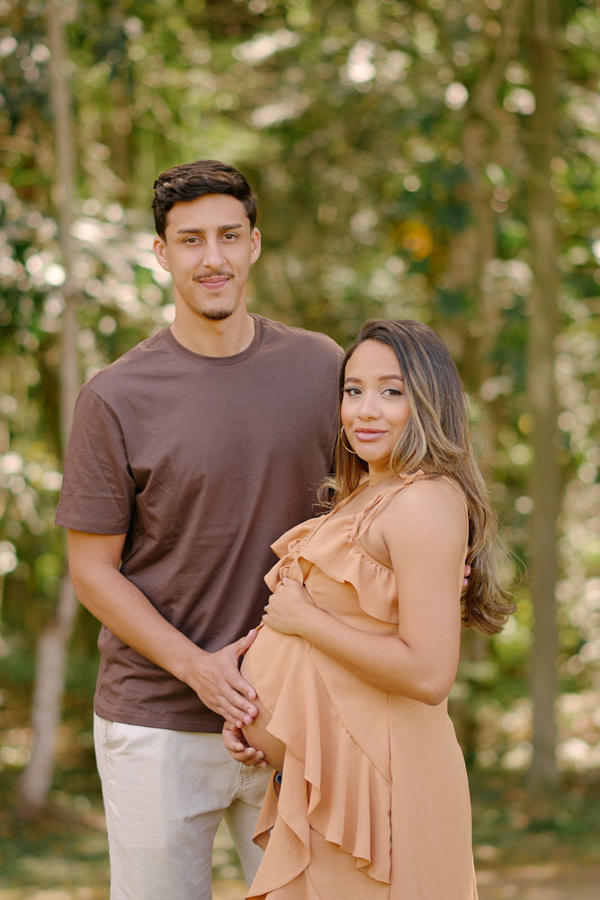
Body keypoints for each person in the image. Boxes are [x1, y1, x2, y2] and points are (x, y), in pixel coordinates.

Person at [54, 159, 344, 900]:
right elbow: (92, 570)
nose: (211, 258)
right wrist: (200, 669)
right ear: (162, 253)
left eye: (227, 236)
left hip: (298, 715)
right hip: (156, 722)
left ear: (254, 244)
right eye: (190, 241)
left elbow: (371, 509)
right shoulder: (115, 396)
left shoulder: (323, 369)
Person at [223, 319, 515, 899]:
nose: (366, 410)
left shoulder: (425, 500)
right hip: (327, 774)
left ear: (429, 401)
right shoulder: (366, 492)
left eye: (392, 391)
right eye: (353, 390)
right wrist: (260, 716)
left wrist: (305, 622)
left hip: (383, 780)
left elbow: (429, 674)